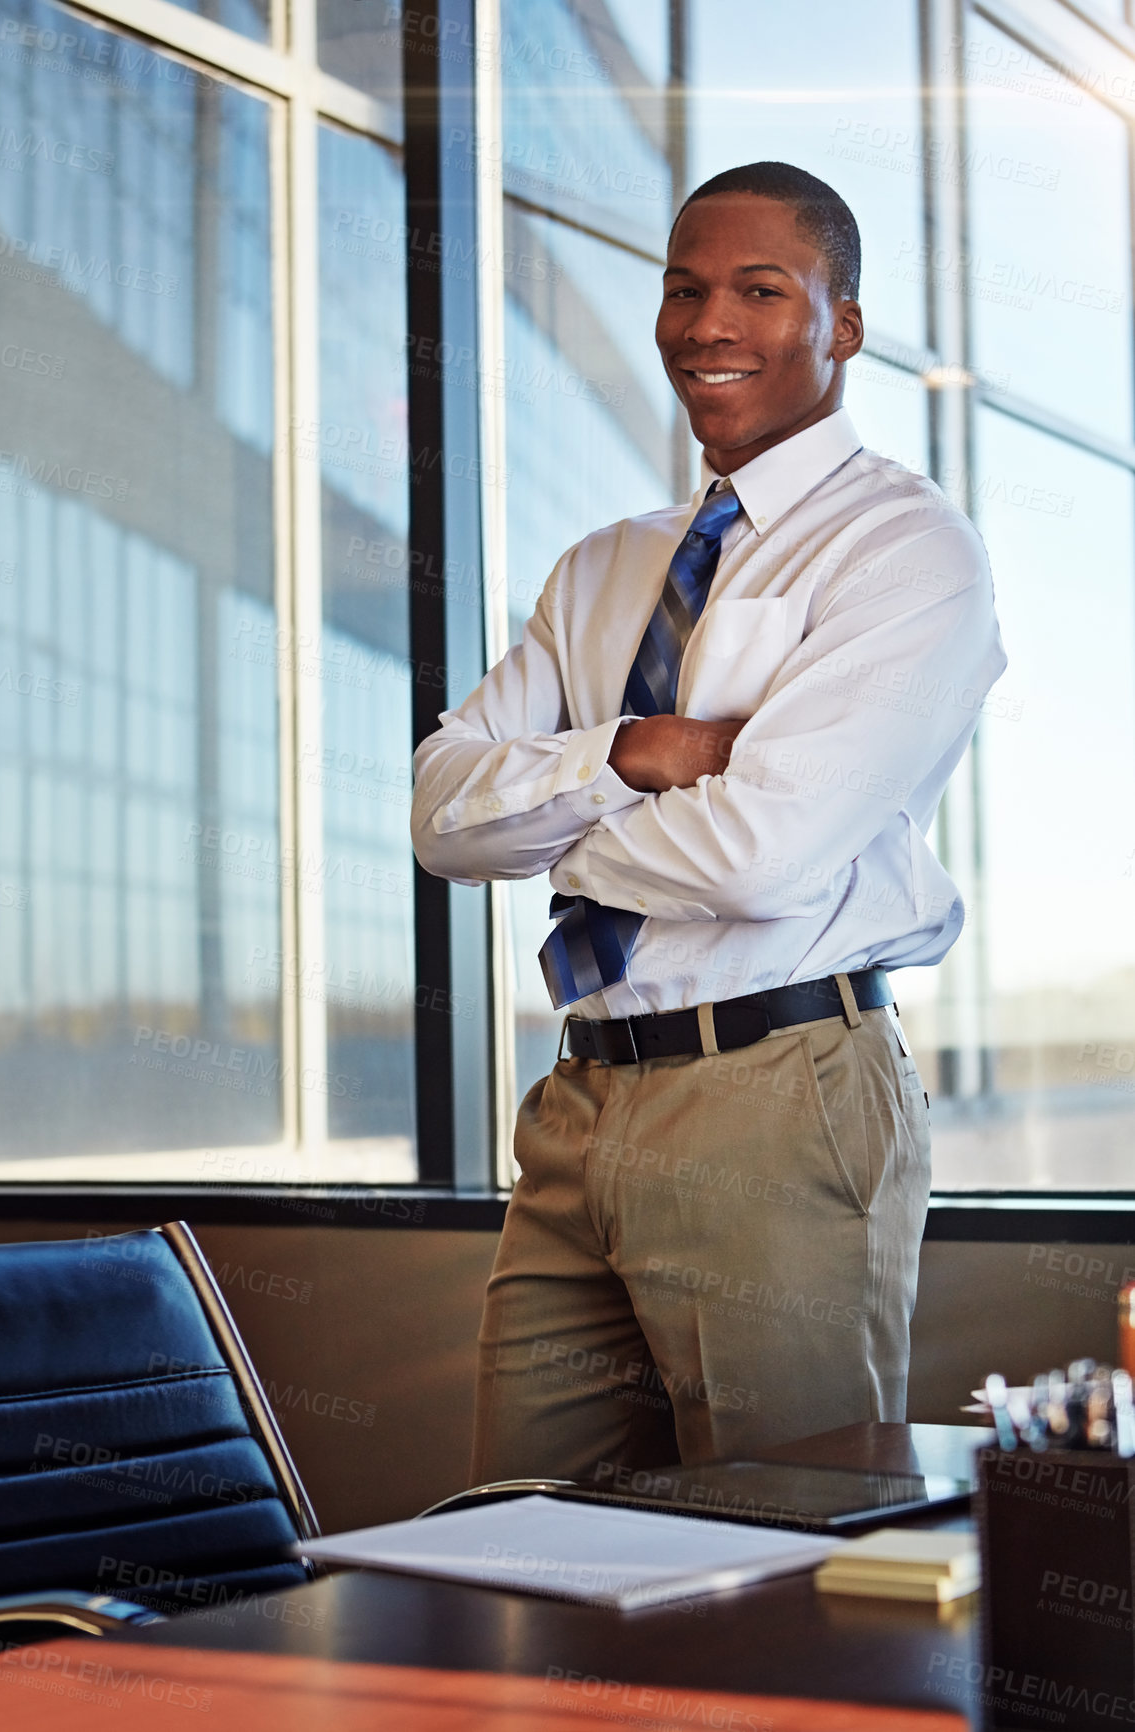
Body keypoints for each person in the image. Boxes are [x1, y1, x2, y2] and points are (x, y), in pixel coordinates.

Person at [411, 161, 1006, 1486]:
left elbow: (760, 854)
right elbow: (442, 816)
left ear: (838, 324)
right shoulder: (601, 567)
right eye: (683, 290)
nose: (705, 325)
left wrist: (556, 820)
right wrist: (642, 750)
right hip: (579, 1099)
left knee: (787, 1550)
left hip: (776, 1091)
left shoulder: (901, 551)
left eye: (756, 289)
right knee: (519, 1533)